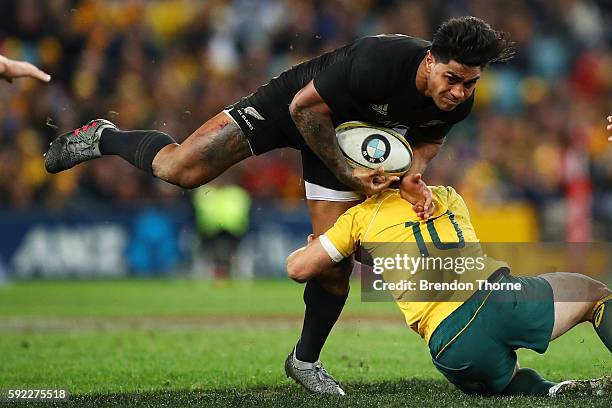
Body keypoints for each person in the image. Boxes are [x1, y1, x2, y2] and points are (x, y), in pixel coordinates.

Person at [43, 16, 513, 394]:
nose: (458, 93)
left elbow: (424, 147)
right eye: (452, 79)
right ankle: (104, 135)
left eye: (469, 84)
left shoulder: (459, 103)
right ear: (430, 60)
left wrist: (410, 179)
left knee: (334, 262)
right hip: (297, 108)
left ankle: (304, 361)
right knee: (179, 170)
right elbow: (306, 110)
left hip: (351, 147)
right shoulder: (378, 62)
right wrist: (350, 173)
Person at [285, 173, 611, 396]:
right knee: (595, 296)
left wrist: (316, 247)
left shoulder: (357, 220)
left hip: (450, 347)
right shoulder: (446, 196)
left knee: (506, 381)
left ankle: (549, 391)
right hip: (496, 299)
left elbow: (298, 269)